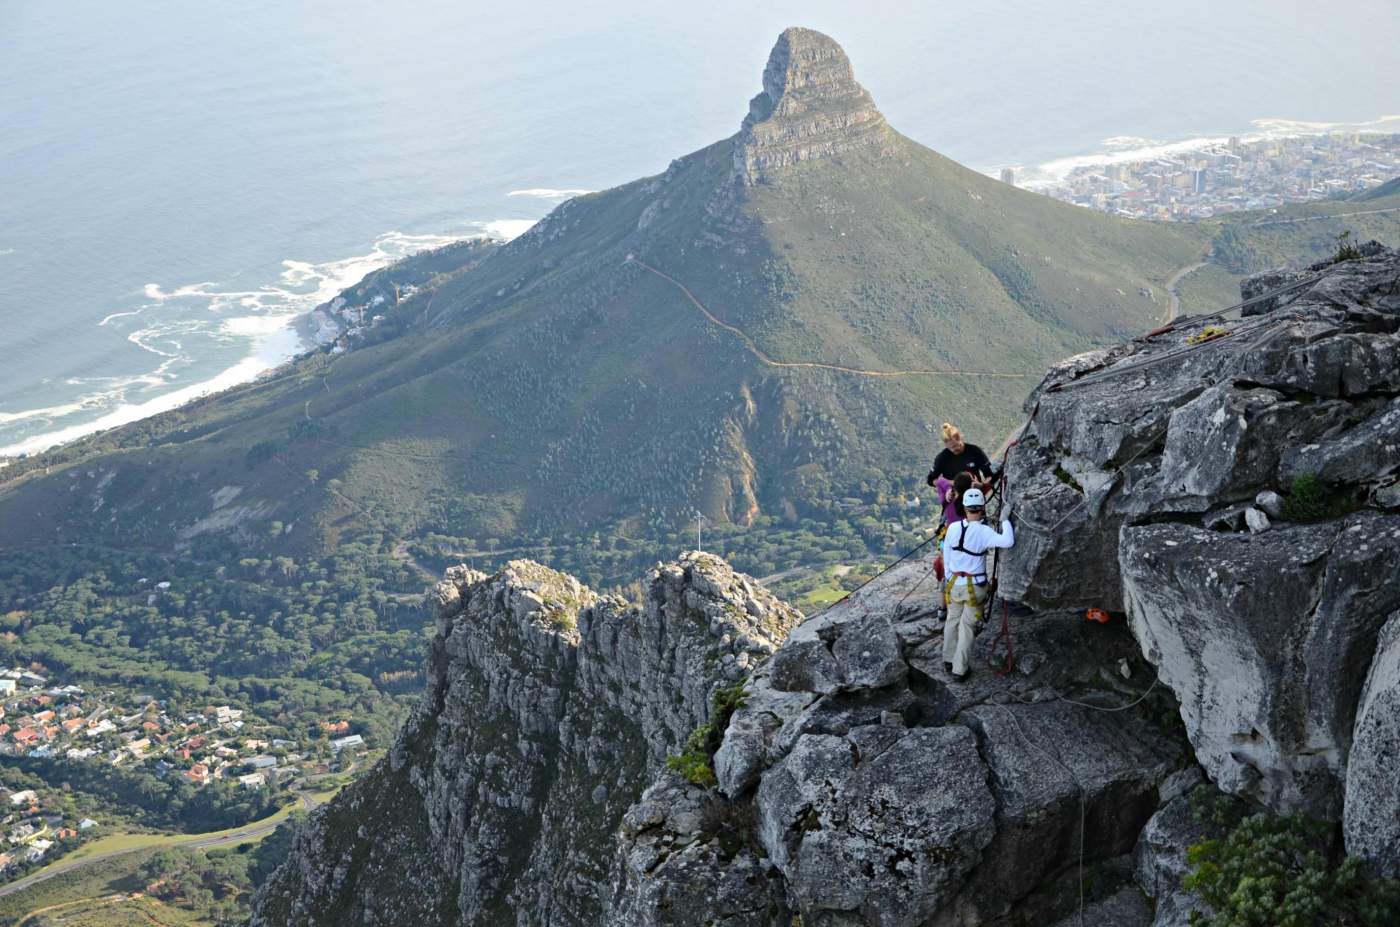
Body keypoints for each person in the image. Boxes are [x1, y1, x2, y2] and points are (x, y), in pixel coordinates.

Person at [940, 487, 1014, 680]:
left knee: (952, 620)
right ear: (982, 508)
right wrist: (1005, 520)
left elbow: (946, 556)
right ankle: (959, 669)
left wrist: (948, 577)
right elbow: (1007, 541)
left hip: (953, 583)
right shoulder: (984, 532)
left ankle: (948, 659)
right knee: (967, 627)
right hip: (975, 587)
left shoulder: (954, 528)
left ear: (964, 508)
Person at [927, 422, 994, 489]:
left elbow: (989, 475)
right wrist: (953, 483)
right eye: (950, 448)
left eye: (955, 445)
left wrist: (981, 485)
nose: (954, 449)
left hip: (974, 494)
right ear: (946, 445)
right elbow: (931, 480)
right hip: (953, 497)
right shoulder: (942, 458)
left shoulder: (974, 451)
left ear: (960, 438)